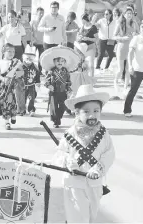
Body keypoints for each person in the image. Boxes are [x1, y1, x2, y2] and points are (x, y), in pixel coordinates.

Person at [52, 84, 115, 223]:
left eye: (96, 110)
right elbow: (59, 153)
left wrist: (98, 169)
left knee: (92, 215)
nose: (92, 115)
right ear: (77, 113)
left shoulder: (104, 133)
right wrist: (69, 162)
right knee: (77, 217)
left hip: (95, 183)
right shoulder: (70, 134)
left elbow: (109, 154)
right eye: (86, 111)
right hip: (74, 183)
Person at [0, 43, 22, 130]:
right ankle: (7, 121)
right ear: (3, 52)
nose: (12, 53)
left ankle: (13, 115)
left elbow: (21, 72)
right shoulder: (0, 62)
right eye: (9, 51)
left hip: (14, 86)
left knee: (13, 103)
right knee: (4, 103)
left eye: (13, 51)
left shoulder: (16, 62)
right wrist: (3, 79)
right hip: (4, 86)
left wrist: (17, 75)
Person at [42, 47, 73, 128]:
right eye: (58, 61)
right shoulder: (51, 71)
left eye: (62, 61)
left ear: (64, 62)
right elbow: (46, 81)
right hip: (54, 92)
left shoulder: (66, 71)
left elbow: (69, 81)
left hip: (63, 91)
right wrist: (49, 85)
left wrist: (68, 87)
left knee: (63, 106)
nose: (60, 62)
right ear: (54, 62)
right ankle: (56, 121)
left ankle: (58, 117)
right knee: (54, 107)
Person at [113, 7, 139, 94]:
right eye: (127, 13)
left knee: (128, 69)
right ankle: (115, 81)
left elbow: (139, 34)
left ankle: (125, 87)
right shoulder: (120, 23)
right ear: (124, 15)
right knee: (120, 70)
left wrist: (136, 34)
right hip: (121, 48)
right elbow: (114, 36)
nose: (129, 15)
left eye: (131, 13)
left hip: (131, 49)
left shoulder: (134, 23)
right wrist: (122, 38)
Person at [76, 13, 98, 78]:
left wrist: (88, 38)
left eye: (81, 19)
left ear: (84, 19)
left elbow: (96, 39)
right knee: (82, 65)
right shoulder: (81, 27)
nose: (81, 21)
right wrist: (79, 38)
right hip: (81, 48)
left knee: (91, 65)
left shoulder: (93, 27)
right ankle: (83, 79)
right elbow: (77, 37)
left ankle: (91, 79)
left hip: (90, 47)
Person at [21, 45, 40, 116]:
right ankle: (21, 109)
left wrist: (38, 83)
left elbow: (37, 75)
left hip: (31, 86)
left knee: (32, 98)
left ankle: (31, 109)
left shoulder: (35, 67)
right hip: (22, 86)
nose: (29, 60)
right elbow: (18, 76)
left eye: (31, 59)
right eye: (27, 58)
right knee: (22, 98)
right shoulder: (21, 66)